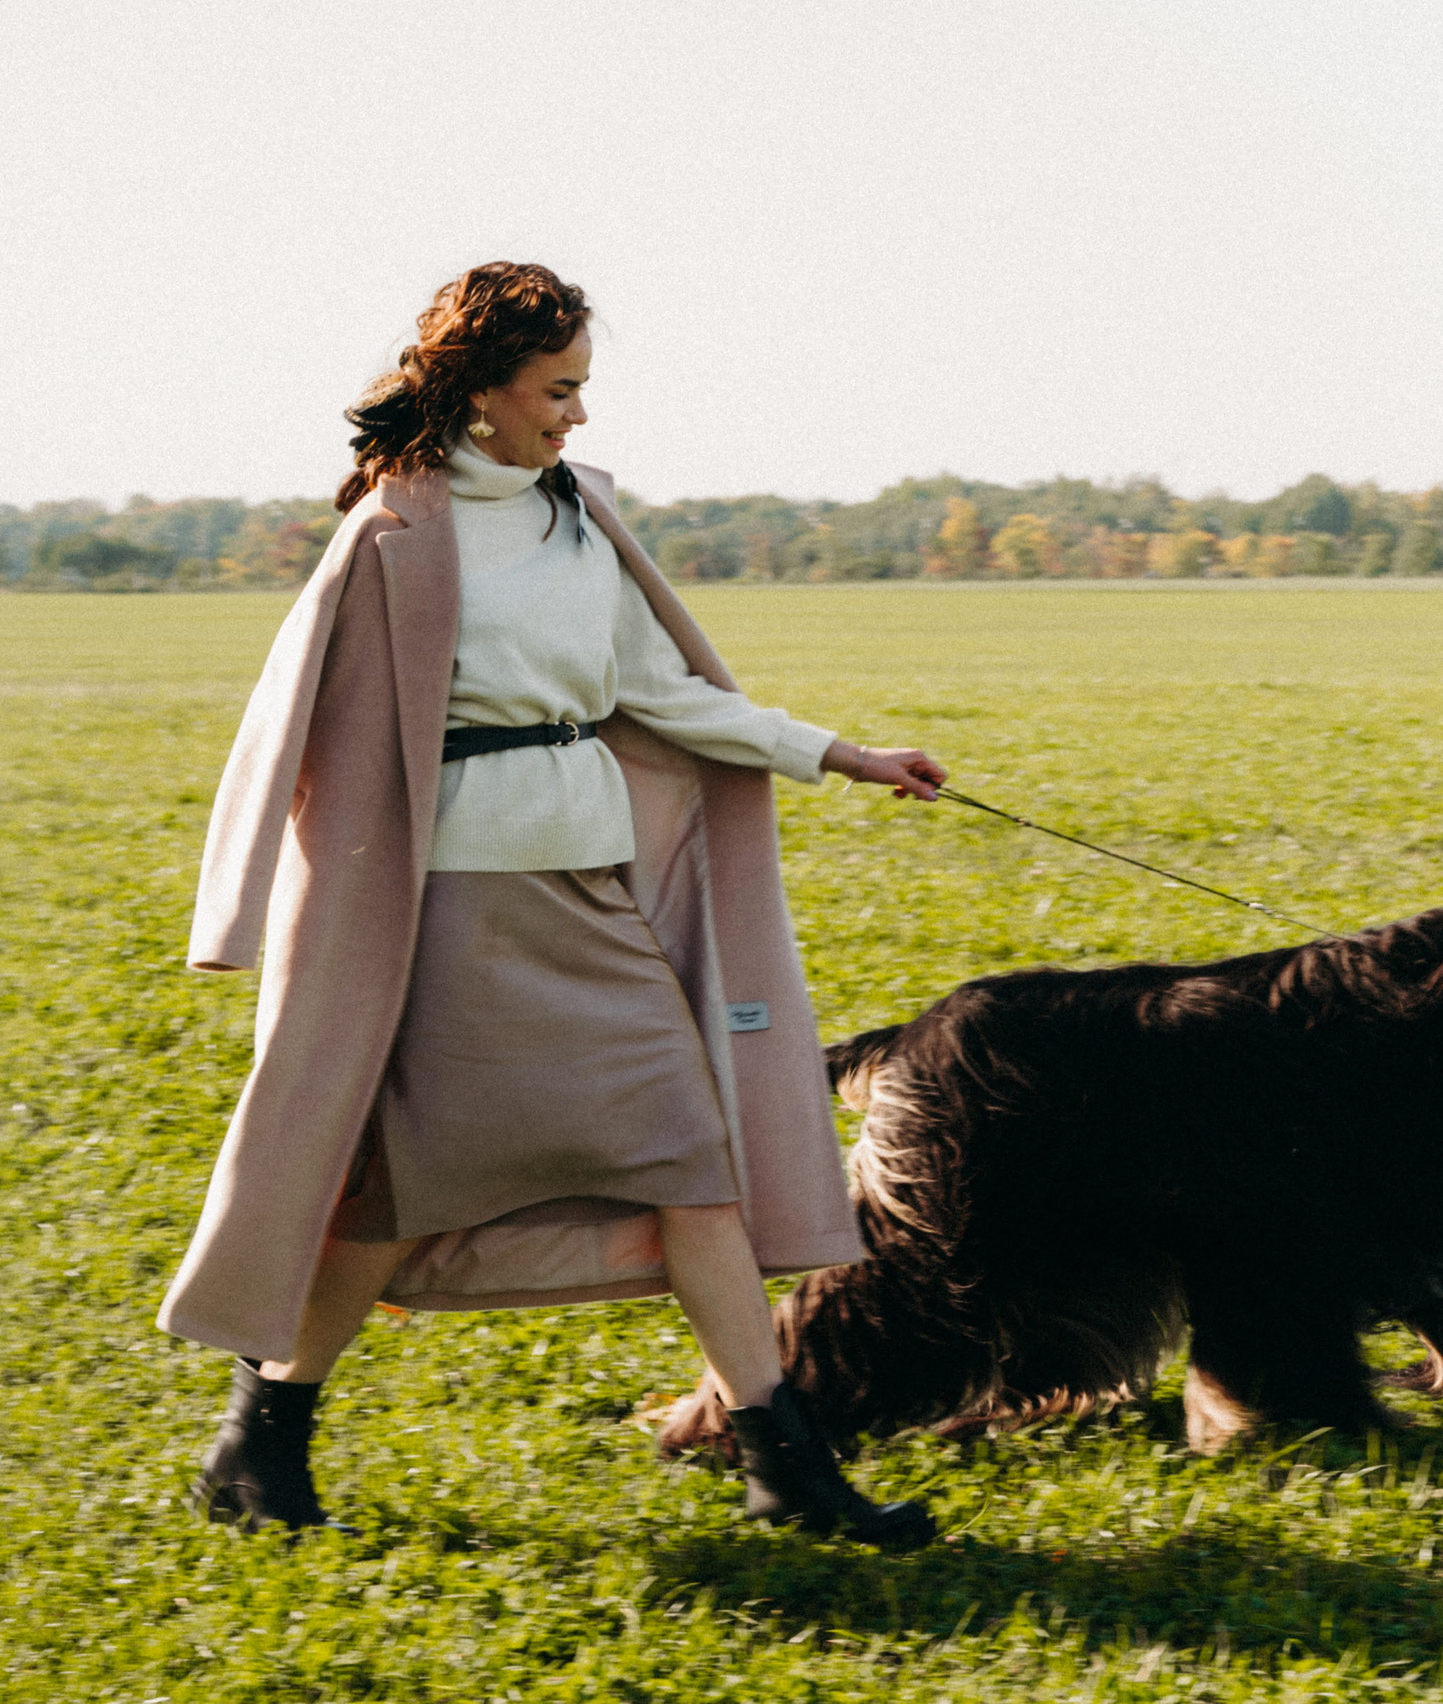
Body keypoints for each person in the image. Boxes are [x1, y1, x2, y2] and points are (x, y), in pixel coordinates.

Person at [159, 262, 944, 1547]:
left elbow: (658, 689)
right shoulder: (396, 531)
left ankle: (784, 1466)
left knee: (697, 1171)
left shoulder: (583, 516)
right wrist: (243, 915)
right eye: (555, 391)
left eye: (582, 389)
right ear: (479, 393)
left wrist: (839, 754)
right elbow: (299, 724)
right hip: (454, 910)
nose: (575, 416)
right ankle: (261, 1436)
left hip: (590, 899)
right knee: (404, 1200)